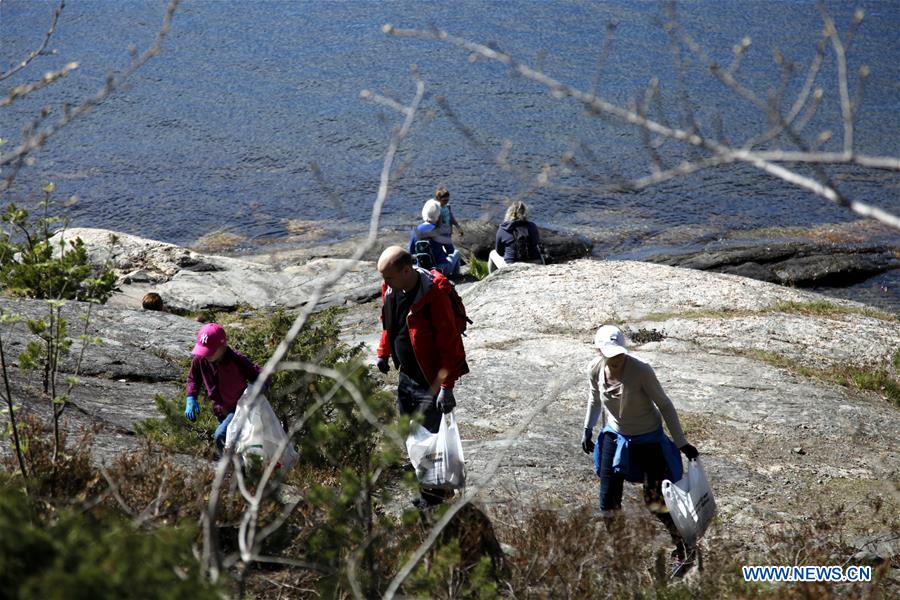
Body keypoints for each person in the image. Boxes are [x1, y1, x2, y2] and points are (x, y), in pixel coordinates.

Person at [580, 325, 700, 578]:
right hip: (614, 437)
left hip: (648, 439)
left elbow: (665, 404)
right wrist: (587, 429)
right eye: (609, 353)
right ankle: (621, 552)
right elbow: (594, 399)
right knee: (608, 501)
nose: (616, 357)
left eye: (619, 352)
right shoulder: (595, 369)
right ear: (599, 351)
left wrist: (681, 441)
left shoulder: (641, 370)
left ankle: (684, 547)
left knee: (655, 501)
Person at [375, 246, 469, 509]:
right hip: (406, 375)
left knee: (430, 436)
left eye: (389, 277)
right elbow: (389, 323)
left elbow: (450, 343)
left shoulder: (434, 295)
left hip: (430, 381)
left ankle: (434, 495)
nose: (384, 283)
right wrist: (383, 352)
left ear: (406, 271)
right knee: (411, 431)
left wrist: (447, 387)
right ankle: (425, 478)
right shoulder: (392, 289)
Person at [184, 322, 265, 454]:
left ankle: (227, 469)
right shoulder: (200, 360)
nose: (206, 354)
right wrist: (191, 397)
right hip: (220, 410)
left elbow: (261, 376)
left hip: (239, 409)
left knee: (221, 436)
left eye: (210, 351)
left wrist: (257, 391)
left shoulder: (236, 360)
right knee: (234, 443)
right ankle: (238, 470)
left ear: (223, 347)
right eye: (203, 350)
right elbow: (193, 378)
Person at [409, 199, 461, 277]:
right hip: (440, 269)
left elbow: (411, 251)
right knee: (456, 253)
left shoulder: (415, 231)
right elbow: (451, 251)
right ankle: (455, 277)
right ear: (438, 215)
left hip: (423, 270)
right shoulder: (441, 230)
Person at [488, 201, 542, 272]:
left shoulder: (503, 228)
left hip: (513, 266)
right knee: (538, 249)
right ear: (524, 213)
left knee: (492, 253)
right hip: (534, 263)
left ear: (509, 213)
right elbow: (536, 242)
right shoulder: (532, 226)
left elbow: (499, 252)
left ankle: (492, 278)